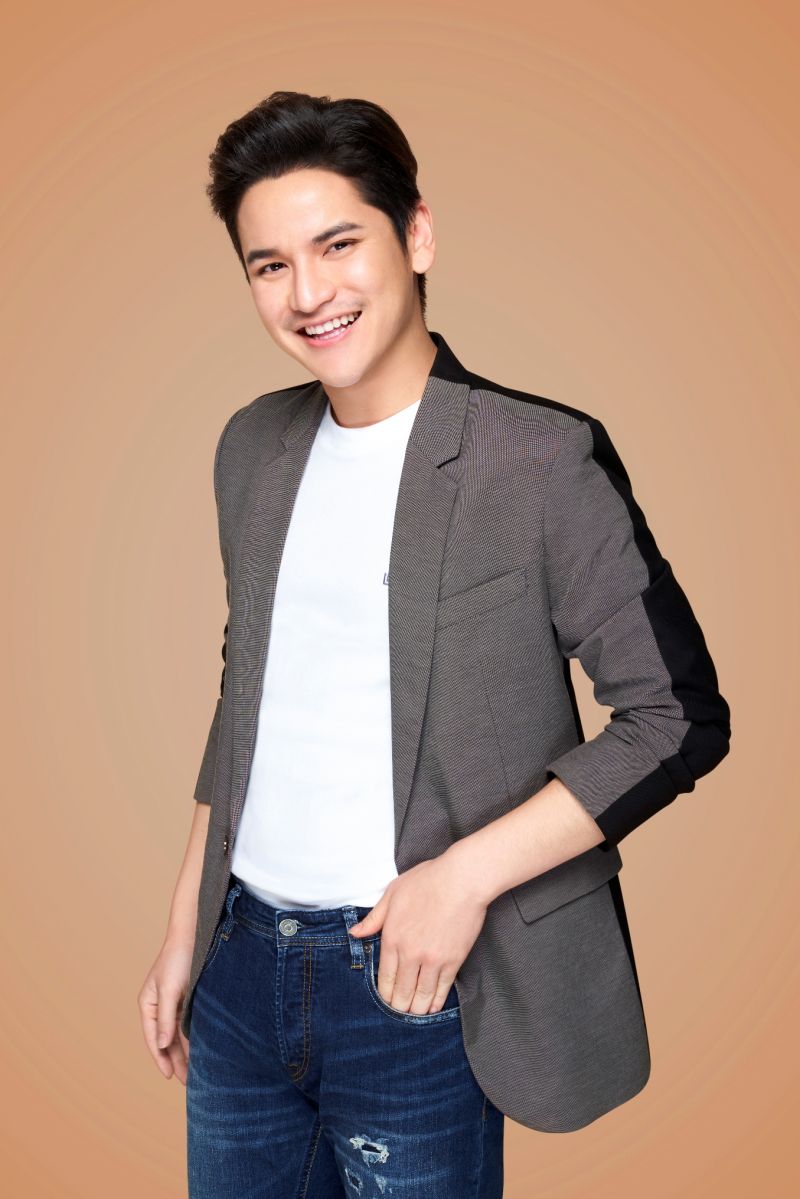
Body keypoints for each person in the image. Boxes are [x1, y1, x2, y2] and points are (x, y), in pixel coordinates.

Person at [138, 91, 731, 1197]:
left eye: (337, 245)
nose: (307, 293)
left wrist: (461, 880)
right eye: (269, 265)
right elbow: (248, 690)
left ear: (415, 235)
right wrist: (185, 928)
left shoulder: (537, 459)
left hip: (416, 982)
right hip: (238, 973)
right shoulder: (251, 448)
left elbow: (675, 718)